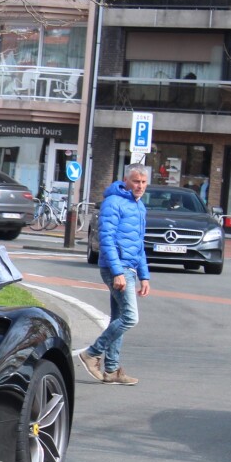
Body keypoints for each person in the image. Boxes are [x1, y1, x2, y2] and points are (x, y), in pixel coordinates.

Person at [79, 165, 151, 386]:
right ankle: (92, 353)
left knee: (118, 319)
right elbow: (107, 239)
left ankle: (111, 370)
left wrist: (144, 275)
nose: (140, 186)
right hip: (116, 268)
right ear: (126, 180)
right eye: (136, 181)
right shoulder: (113, 202)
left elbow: (138, 244)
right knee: (130, 318)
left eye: (143, 182)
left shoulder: (139, 207)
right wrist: (118, 272)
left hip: (129, 268)